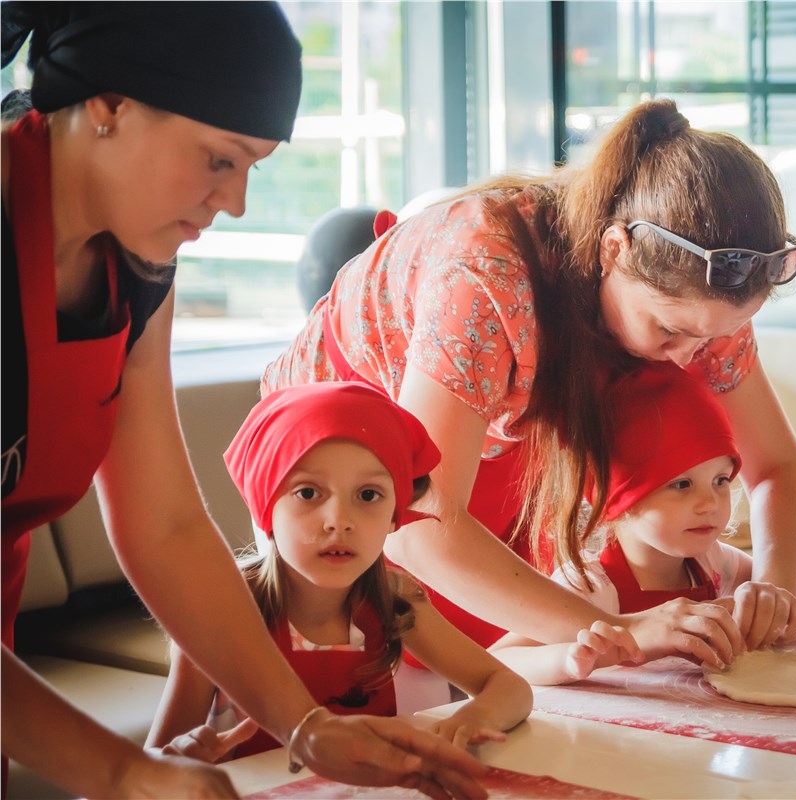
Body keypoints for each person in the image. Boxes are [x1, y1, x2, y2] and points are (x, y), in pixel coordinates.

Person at [0, 4, 486, 798]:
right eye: (219, 160)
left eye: (253, 167)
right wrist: (126, 773)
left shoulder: (137, 270)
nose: (237, 204)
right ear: (109, 105)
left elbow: (164, 528)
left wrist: (306, 726)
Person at [263, 98, 796, 671]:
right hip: (339, 445)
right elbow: (420, 526)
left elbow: (776, 466)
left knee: (523, 667)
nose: (688, 360)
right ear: (613, 250)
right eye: (669, 330)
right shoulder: (486, 274)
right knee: (381, 670)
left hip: (491, 437)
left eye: (710, 338)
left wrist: (775, 587)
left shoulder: (709, 297)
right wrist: (622, 629)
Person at [149, 382, 532, 761]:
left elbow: (510, 688)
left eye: (368, 495)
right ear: (265, 508)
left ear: (393, 517)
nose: (339, 521)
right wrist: (184, 756)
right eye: (308, 493)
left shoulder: (395, 600)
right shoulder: (217, 613)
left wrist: (474, 715)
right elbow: (155, 764)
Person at [490, 362, 796, 685]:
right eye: (681, 485)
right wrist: (568, 659)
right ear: (617, 500)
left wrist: (756, 603)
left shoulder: (711, 564)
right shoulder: (591, 587)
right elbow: (499, 660)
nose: (710, 503)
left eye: (721, 480)